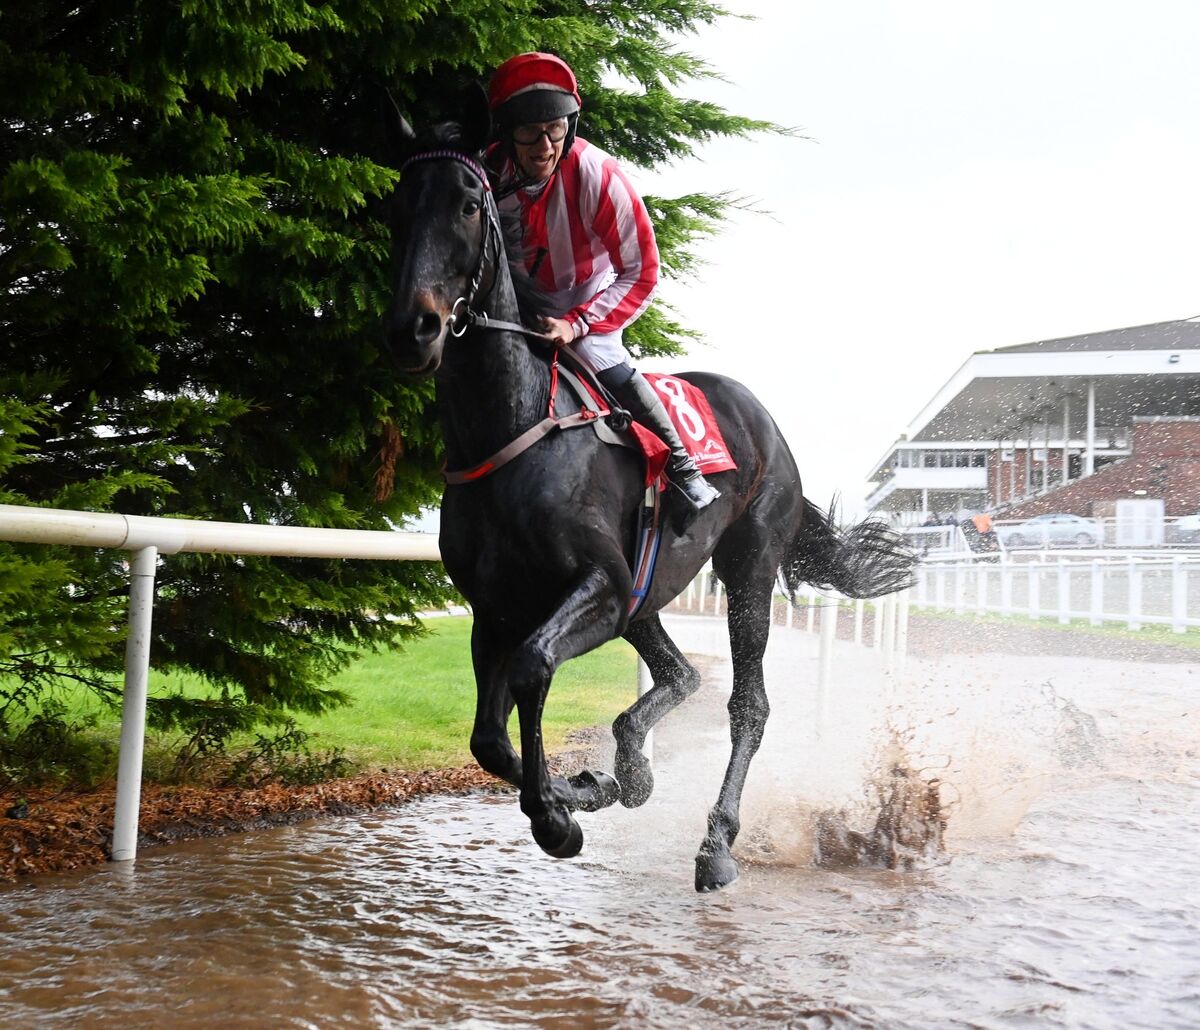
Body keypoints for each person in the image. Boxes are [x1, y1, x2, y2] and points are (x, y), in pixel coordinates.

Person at [485, 52, 720, 514]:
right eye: (529, 131)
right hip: (516, 303)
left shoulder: (599, 175)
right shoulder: (491, 172)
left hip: (588, 298)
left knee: (598, 356)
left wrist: (576, 324)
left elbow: (643, 272)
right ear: (505, 132)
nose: (544, 146)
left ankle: (684, 469)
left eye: (554, 129)